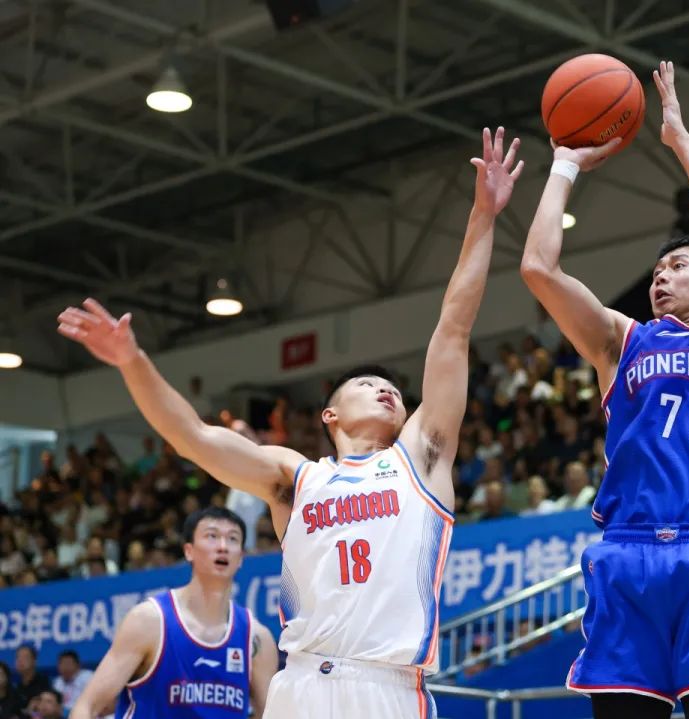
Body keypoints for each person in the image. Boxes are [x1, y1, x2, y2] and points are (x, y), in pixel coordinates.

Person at [59, 127, 525, 719]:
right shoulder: (296, 479)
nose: (385, 389)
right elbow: (192, 438)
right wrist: (132, 361)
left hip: (387, 686)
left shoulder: (420, 458)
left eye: (392, 389)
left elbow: (453, 327)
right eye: (366, 384)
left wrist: (483, 216)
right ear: (330, 414)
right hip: (301, 683)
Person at [521, 62, 689, 718]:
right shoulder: (623, 341)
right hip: (628, 553)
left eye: (677, 265)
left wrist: (680, 142)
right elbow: (538, 267)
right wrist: (564, 165)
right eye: (656, 269)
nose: (660, 276)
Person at [70, 508, 277, 719]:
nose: (223, 546)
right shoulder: (149, 621)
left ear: (241, 557)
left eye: (232, 539)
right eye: (212, 536)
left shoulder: (257, 639)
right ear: (189, 551)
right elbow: (86, 707)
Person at [13, 645, 51, 711]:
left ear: (34, 661)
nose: (20, 660)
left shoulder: (44, 683)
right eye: (17, 657)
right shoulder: (15, 687)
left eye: (25, 657)